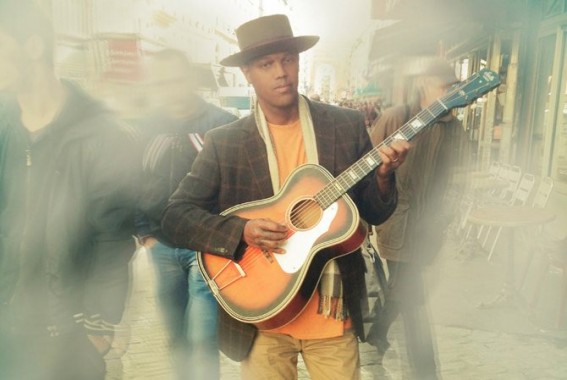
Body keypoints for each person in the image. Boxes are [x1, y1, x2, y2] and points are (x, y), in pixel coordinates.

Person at [161, 14, 410, 380]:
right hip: (263, 318)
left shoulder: (344, 125)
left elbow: (371, 212)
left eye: (287, 60)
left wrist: (385, 176)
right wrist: (239, 232)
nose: (281, 72)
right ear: (248, 72)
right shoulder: (225, 143)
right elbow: (175, 216)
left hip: (332, 314)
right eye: (266, 64)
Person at [0, 1, 141, 380]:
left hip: (66, 334)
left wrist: (99, 328)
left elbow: (113, 240)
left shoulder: (101, 135)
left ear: (32, 47)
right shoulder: (3, 128)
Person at [135, 48, 238, 380]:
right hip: (161, 243)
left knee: (203, 335)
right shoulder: (147, 126)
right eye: (162, 83)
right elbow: (132, 177)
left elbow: (238, 183)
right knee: (177, 335)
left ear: (191, 79)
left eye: (177, 80)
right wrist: (143, 232)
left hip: (206, 247)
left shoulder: (222, 124)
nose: (171, 89)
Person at [367, 57, 471, 379]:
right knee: (412, 293)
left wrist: (447, 215)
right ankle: (426, 369)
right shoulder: (396, 117)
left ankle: (377, 332)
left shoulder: (454, 128)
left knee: (405, 287)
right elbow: (367, 161)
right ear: (426, 84)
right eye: (445, 85)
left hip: (430, 225)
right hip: (396, 217)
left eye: (454, 86)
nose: (451, 92)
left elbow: (461, 175)